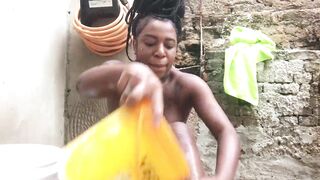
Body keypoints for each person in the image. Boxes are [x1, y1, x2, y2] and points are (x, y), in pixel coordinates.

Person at [76, 0, 240, 179]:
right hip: (127, 169)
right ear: (135, 43)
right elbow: (83, 84)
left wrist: (222, 177)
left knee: (179, 130)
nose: (160, 52)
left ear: (176, 48)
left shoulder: (187, 86)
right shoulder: (121, 75)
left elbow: (226, 131)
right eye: (150, 43)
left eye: (169, 45)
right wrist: (127, 72)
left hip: (168, 171)